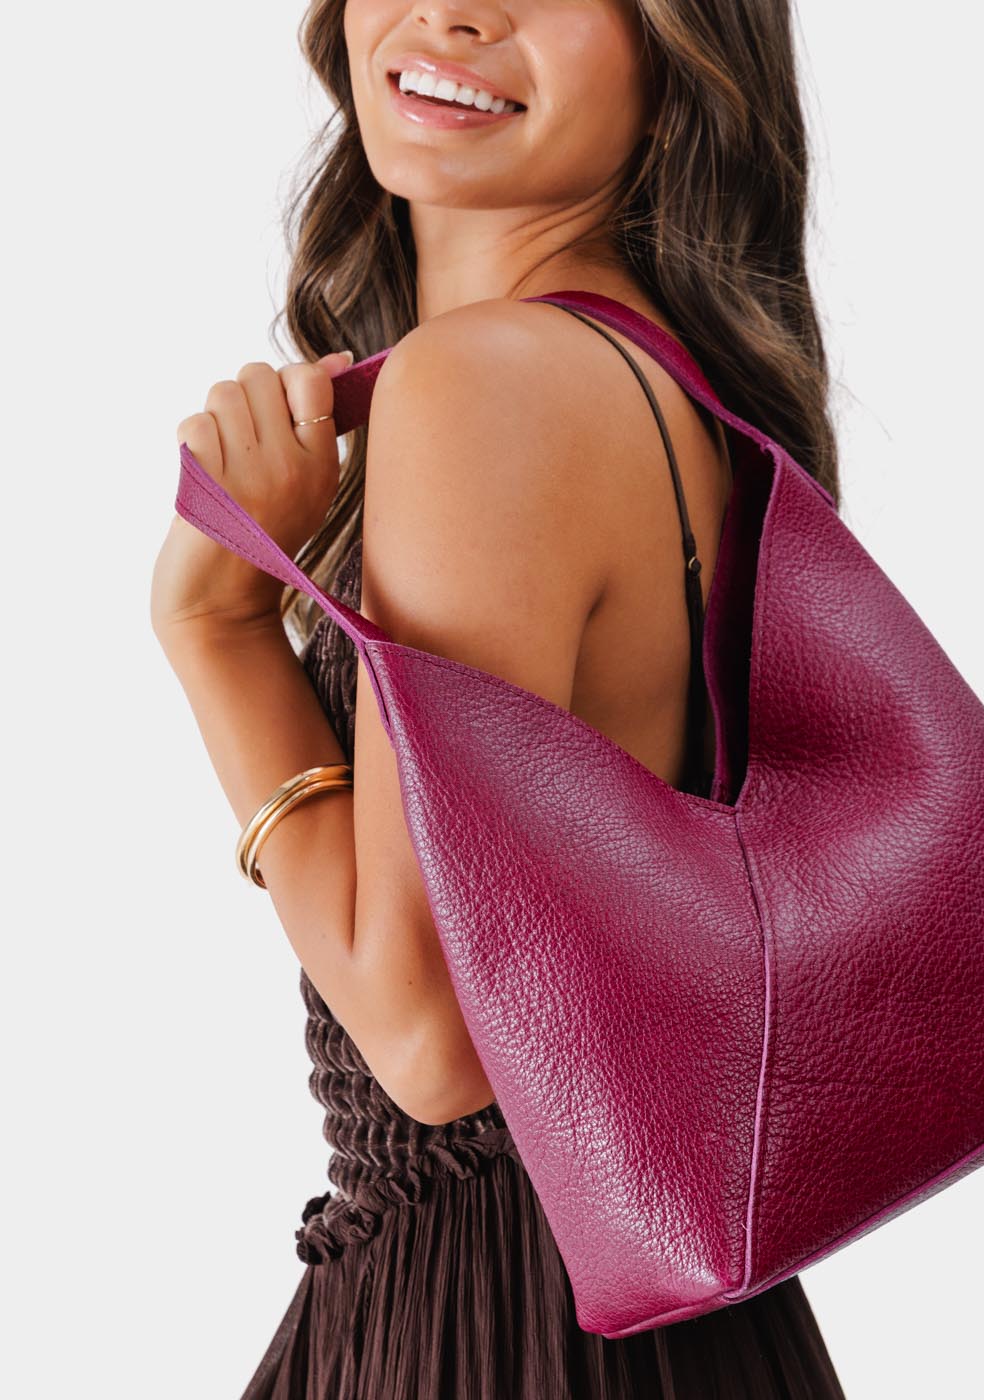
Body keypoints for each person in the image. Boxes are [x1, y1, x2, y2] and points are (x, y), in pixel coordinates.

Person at [152, 0, 847, 1394]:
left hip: (486, 1316)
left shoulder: (490, 385)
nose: (455, 9)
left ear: (681, 42)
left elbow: (430, 1045)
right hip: (641, 1312)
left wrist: (214, 631)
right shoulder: (648, 372)